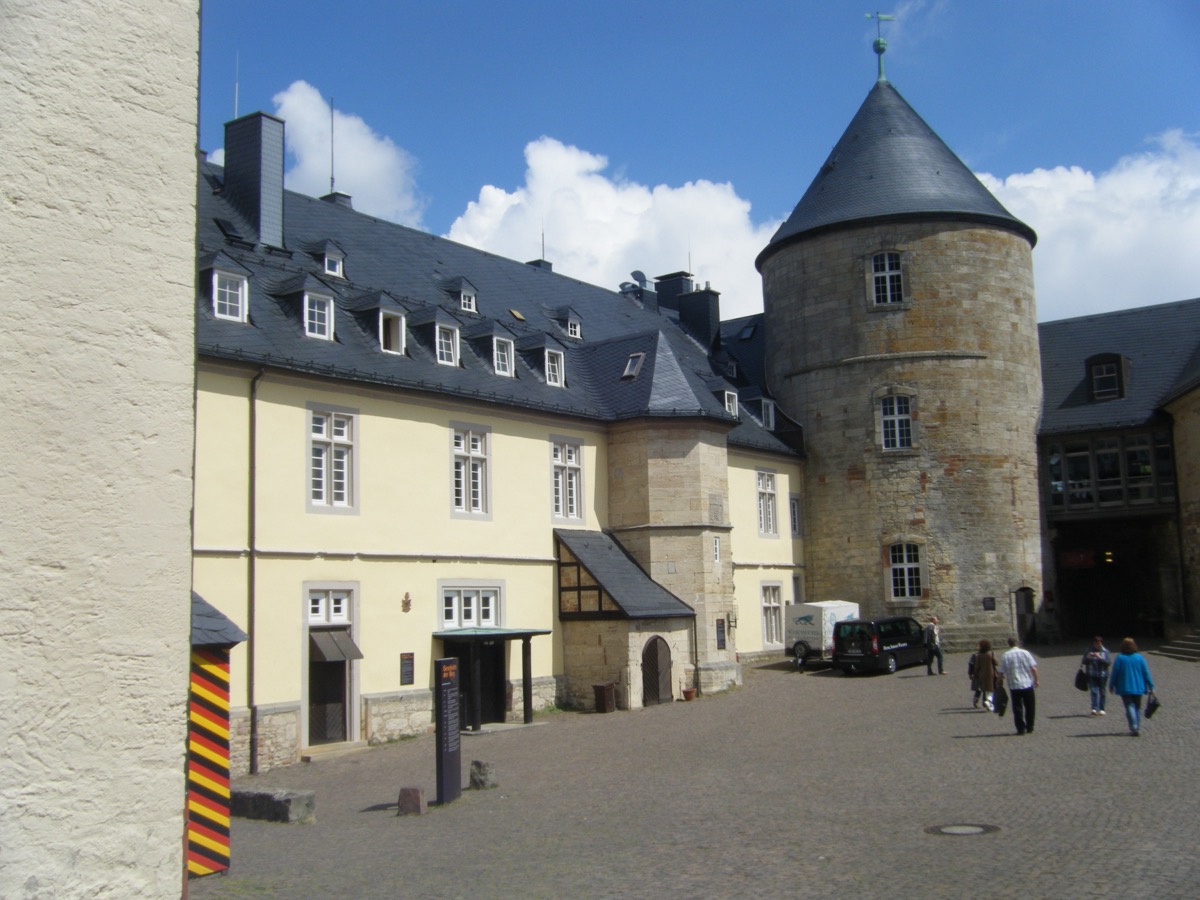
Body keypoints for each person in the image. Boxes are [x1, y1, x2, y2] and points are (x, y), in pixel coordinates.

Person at [1108, 637, 1155, 737]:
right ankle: (1136, 726)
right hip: (1138, 687)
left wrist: (1111, 685)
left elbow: (1114, 673)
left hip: (1125, 687)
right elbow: (1146, 673)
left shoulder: (1120, 658)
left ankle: (1133, 726)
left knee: (1129, 706)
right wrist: (1151, 686)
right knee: (1137, 707)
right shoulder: (1139, 657)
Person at [998, 637, 1038, 735]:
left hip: (1014, 685)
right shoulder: (1025, 653)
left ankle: (1020, 728)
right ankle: (1030, 726)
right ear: (1017, 643)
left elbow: (1001, 672)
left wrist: (999, 681)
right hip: (1027, 684)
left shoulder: (1005, 656)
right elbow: (1033, 669)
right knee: (1030, 706)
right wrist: (1036, 680)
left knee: (1017, 708)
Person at [1081, 636, 1111, 716]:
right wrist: (1088, 657)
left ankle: (1102, 708)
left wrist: (1100, 658)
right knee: (1094, 691)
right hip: (1092, 675)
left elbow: (1108, 663)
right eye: (1096, 643)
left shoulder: (1105, 652)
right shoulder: (1088, 651)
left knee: (1102, 692)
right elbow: (1083, 662)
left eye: (1099, 643)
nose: (1098, 645)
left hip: (1102, 675)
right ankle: (1094, 708)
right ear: (1094, 643)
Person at [971, 639, 998, 711]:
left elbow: (976, 667)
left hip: (982, 674)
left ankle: (981, 700)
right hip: (990, 674)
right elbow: (996, 663)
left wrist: (975, 674)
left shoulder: (979, 656)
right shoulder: (990, 654)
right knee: (990, 689)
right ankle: (988, 701)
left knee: (983, 688)